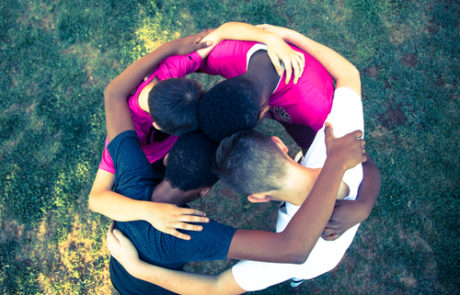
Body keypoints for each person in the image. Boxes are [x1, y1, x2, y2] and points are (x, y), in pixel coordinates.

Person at [106, 25, 381, 294]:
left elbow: (220, 285)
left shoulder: (132, 180)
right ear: (279, 144)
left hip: (127, 269)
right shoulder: (188, 231)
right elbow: (293, 249)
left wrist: (135, 268)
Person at [88, 23, 304, 240]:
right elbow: (97, 199)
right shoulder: (124, 131)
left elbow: (219, 35)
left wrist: (270, 39)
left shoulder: (172, 74)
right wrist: (151, 213)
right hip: (146, 164)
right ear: (159, 127)